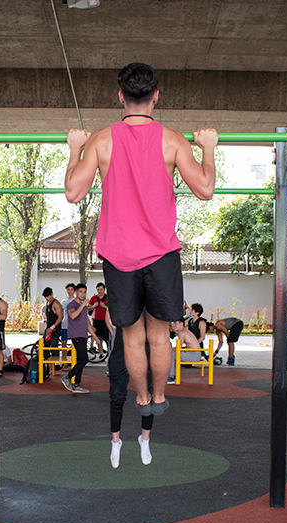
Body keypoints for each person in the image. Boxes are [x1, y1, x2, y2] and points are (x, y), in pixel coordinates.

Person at [65, 62, 218, 416]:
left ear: (121, 96)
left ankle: (143, 398)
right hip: (161, 254)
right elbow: (205, 188)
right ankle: (160, 397)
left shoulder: (102, 139)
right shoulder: (172, 139)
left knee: (133, 337)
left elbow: (73, 192)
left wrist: (75, 147)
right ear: (156, 96)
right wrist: (208, 146)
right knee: (159, 336)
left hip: (119, 256)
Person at [108, 320, 153, 468]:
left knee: (148, 396)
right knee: (116, 396)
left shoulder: (152, 299)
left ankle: (144, 439)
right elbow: (111, 317)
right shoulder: (123, 297)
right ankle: (116, 442)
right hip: (123, 349)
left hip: (146, 348)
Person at [62, 283, 92, 394]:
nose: (83, 294)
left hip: (83, 334)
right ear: (76, 292)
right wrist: (83, 304)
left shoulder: (83, 307)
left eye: (84, 292)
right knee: (84, 359)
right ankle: (68, 377)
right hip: (76, 335)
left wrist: (94, 336)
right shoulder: (72, 304)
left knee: (81, 359)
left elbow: (87, 322)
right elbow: (73, 315)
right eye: (80, 292)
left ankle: (77, 384)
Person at [41, 287, 64, 360]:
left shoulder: (56, 304)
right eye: (45, 297)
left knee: (54, 348)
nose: (46, 298)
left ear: (52, 294)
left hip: (54, 330)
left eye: (48, 296)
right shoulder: (48, 303)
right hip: (48, 328)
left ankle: (56, 365)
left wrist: (52, 327)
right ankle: (49, 364)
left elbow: (60, 317)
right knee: (45, 348)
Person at [88, 282, 110, 354]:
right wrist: (94, 306)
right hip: (96, 320)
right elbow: (88, 308)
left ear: (104, 290)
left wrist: (105, 307)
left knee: (107, 338)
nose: (100, 291)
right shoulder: (94, 298)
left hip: (105, 320)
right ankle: (101, 354)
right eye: (98, 289)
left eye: (101, 289)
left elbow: (113, 309)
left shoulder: (108, 298)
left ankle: (109, 353)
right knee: (98, 338)